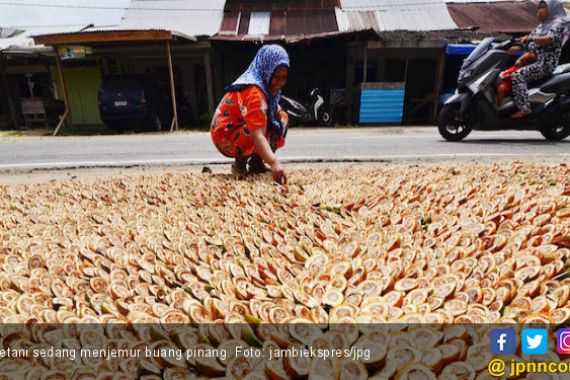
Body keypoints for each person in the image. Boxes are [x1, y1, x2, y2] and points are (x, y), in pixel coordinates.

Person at [211, 45, 290, 184]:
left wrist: (277, 112)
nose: (279, 82)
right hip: (225, 136)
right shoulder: (255, 93)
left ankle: (256, 162)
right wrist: (274, 162)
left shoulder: (264, 88)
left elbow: (274, 109)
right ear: (267, 71)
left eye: (283, 78)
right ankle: (240, 162)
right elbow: (257, 134)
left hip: (236, 128)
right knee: (258, 124)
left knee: (281, 117)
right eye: (276, 76)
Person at [509, 0, 570, 118]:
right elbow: (526, 42)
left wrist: (532, 38)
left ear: (552, 9)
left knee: (517, 76)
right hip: (535, 61)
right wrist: (504, 47)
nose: (539, 11)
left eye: (543, 8)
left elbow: (550, 39)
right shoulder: (541, 26)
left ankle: (524, 108)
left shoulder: (558, 24)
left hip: (545, 63)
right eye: (539, 8)